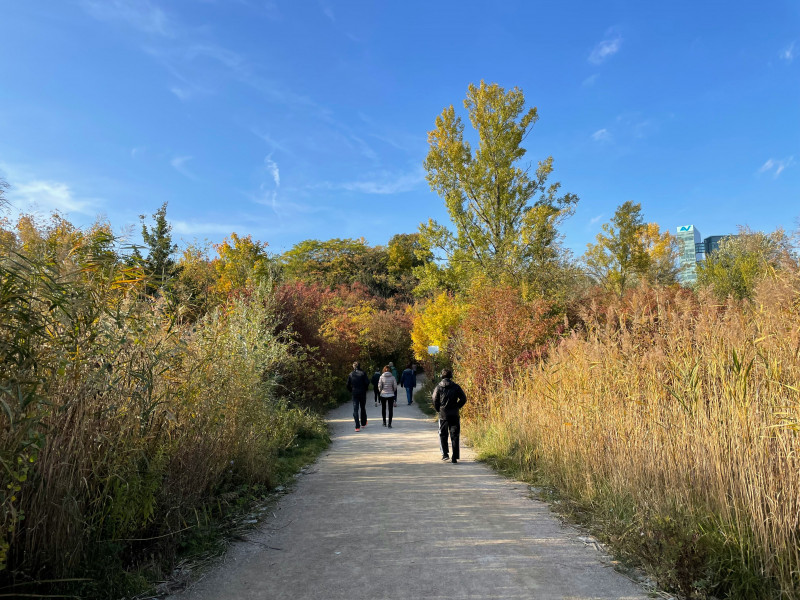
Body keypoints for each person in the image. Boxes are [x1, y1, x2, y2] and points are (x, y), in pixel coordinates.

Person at [432, 368, 467, 463]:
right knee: (455, 435)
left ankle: (445, 454)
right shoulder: (456, 386)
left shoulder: (438, 387)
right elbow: (463, 398)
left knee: (443, 434)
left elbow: (434, 399)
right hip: (454, 414)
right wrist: (457, 407)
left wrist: (438, 409)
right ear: (451, 376)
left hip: (443, 415)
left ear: (442, 376)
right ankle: (454, 457)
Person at [346, 361, 370, 432]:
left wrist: (351, 390)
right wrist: (365, 389)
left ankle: (357, 426)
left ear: (354, 366)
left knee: (355, 409)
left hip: (355, 392)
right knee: (362, 407)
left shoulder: (351, 374)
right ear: (359, 366)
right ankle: (363, 423)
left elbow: (347, 385)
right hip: (362, 392)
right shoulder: (363, 373)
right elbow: (367, 382)